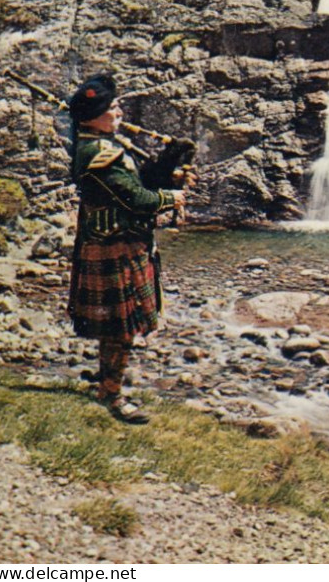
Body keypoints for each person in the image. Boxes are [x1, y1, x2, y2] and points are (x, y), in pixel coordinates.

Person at [67, 73, 187, 424]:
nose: (118, 110)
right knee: (120, 328)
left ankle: (107, 383)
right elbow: (136, 199)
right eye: (111, 107)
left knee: (115, 327)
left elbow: (133, 184)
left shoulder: (101, 144)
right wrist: (172, 197)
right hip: (114, 246)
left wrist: (167, 168)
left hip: (116, 242)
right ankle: (112, 395)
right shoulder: (98, 153)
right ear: (92, 116)